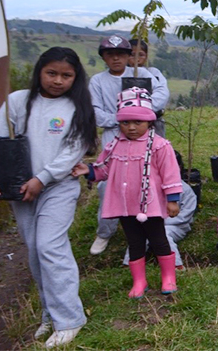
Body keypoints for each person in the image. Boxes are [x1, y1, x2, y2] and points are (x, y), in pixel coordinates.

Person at [0, 47, 95, 348]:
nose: (58, 80)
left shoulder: (78, 109)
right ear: (39, 72)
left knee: (50, 245)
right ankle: (50, 314)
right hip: (19, 190)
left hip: (58, 188)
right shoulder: (19, 101)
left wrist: (42, 178)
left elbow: (71, 153)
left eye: (66, 75)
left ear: (76, 77)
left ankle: (70, 319)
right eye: (52, 73)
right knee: (34, 251)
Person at [75, 87, 183, 298]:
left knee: (159, 239)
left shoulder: (160, 146)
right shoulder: (115, 145)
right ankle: (139, 282)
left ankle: (168, 278)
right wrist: (88, 171)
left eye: (137, 122)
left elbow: (171, 174)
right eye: (125, 123)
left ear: (149, 122)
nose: (131, 127)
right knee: (134, 242)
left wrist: (172, 200)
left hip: (149, 205)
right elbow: (105, 168)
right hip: (126, 205)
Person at [89, 34, 168, 255]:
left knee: (145, 178)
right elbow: (94, 111)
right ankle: (105, 231)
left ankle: (146, 226)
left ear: (128, 56)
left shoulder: (141, 74)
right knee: (109, 185)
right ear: (104, 57)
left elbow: (162, 93)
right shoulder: (97, 81)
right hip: (113, 136)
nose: (116, 59)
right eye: (110, 55)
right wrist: (121, 119)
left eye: (121, 55)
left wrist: (141, 114)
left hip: (143, 135)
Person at [119, 180, 196, 270]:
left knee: (165, 234)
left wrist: (162, 222)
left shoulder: (185, 189)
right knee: (140, 236)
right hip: (150, 223)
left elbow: (186, 215)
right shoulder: (149, 186)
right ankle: (128, 264)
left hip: (176, 226)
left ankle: (176, 265)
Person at [128, 38, 170, 136]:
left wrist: (143, 110)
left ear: (146, 57)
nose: (136, 58)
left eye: (141, 55)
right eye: (132, 55)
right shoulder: (123, 74)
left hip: (154, 120)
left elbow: (162, 94)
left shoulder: (154, 73)